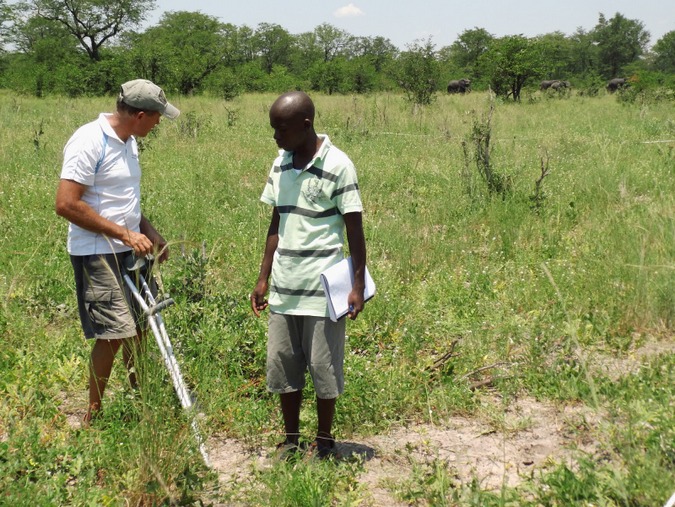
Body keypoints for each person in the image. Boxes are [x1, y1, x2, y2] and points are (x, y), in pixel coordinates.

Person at [55, 79, 180, 425]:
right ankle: (93, 415)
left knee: (141, 327)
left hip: (129, 248)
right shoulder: (88, 141)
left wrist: (148, 231)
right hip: (97, 251)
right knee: (114, 333)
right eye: (156, 118)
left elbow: (123, 201)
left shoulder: (129, 142)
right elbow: (66, 204)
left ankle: (144, 401)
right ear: (140, 116)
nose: (158, 125)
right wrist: (124, 233)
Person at [251, 91, 367, 458]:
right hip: (286, 287)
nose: (275, 136)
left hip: (324, 289)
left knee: (323, 367)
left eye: (280, 129)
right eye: (273, 129)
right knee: (283, 365)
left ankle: (325, 440)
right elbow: (277, 221)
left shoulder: (339, 164)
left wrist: (358, 285)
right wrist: (263, 276)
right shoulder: (280, 164)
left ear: (305, 125)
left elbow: (354, 229)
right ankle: (290, 439)